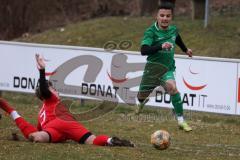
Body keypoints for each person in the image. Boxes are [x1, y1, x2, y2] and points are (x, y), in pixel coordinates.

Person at [0, 54, 134, 147]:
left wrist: (14, 114)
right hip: (65, 123)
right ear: (46, 93)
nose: (56, 91)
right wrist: (42, 71)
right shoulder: (50, 99)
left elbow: (37, 130)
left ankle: (11, 111)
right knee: (92, 141)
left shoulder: (41, 113)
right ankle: (110, 141)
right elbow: (44, 89)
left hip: (53, 129)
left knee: (35, 136)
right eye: (53, 89)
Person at [137, 3, 193, 132]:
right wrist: (161, 46)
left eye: (168, 16)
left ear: (171, 17)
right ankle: (140, 103)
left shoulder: (173, 30)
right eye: (162, 15)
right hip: (152, 69)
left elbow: (177, 38)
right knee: (141, 96)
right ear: (157, 16)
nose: (165, 18)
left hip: (167, 68)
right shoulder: (150, 32)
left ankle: (181, 121)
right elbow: (143, 50)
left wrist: (185, 49)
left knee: (173, 89)